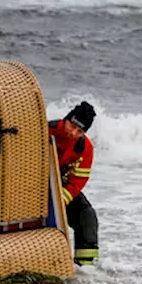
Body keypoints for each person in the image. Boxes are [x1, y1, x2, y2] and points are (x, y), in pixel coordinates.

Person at [48, 102, 98, 266]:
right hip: (31, 187)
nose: (73, 133)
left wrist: (62, 199)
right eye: (73, 126)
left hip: (59, 190)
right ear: (67, 119)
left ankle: (85, 270)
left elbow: (78, 181)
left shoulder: (85, 147)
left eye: (80, 131)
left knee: (87, 216)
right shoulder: (44, 130)